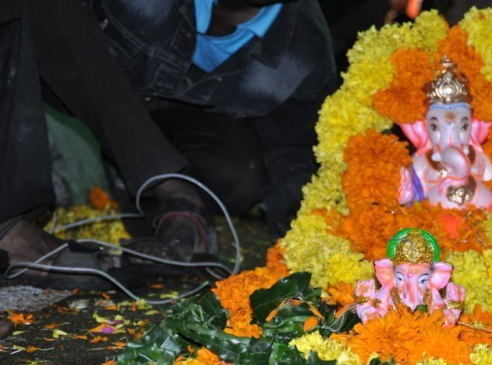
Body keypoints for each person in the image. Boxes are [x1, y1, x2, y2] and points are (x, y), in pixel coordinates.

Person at [0, 0, 336, 289]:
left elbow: (293, 156)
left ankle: (162, 211)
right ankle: (172, 190)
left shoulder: (304, 48)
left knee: (239, 175)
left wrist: (313, 242)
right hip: (76, 67)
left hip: (177, 122)